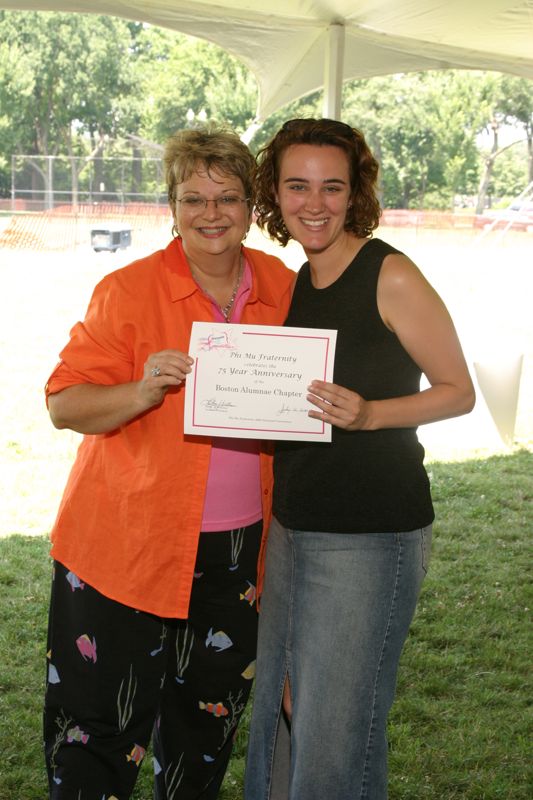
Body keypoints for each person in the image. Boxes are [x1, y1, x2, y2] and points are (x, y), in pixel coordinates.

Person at [43, 125, 294, 800]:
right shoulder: (126, 290)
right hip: (124, 545)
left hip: (237, 551)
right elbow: (65, 406)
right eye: (192, 198)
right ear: (172, 206)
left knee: (204, 726)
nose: (210, 213)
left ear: (251, 206)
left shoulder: (283, 287)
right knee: (101, 726)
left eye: (228, 197)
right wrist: (142, 390)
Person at [244, 118, 476, 800]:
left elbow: (457, 391)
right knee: (285, 711)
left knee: (338, 729)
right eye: (296, 186)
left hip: (370, 537)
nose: (313, 203)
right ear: (275, 193)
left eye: (331, 187)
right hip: (295, 526)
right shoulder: (296, 283)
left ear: (355, 195)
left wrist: (371, 413)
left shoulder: (390, 274)